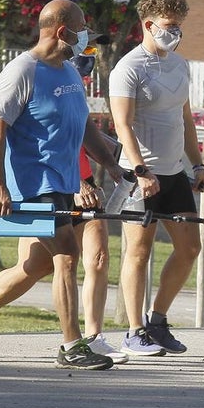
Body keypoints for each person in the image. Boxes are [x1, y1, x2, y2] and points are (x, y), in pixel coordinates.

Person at [0, 0, 125, 370]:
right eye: (81, 29)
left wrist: (110, 162)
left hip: (65, 179)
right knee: (67, 253)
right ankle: (72, 346)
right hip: (32, 181)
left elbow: (85, 126)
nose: (85, 37)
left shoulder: (68, 71)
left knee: (37, 265)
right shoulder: (22, 71)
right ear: (62, 31)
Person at [110, 0, 204, 356]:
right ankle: (134, 332)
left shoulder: (179, 65)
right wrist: (140, 170)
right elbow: (122, 123)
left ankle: (158, 321)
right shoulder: (129, 67)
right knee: (138, 251)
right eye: (169, 26)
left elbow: (186, 119)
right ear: (148, 25)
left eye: (179, 26)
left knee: (190, 247)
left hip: (175, 173)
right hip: (140, 176)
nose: (176, 33)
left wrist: (196, 164)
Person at [69, 53, 127, 365]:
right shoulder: (43, 89)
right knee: (33, 267)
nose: (83, 81)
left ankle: (93, 337)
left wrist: (113, 165)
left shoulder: (76, 101)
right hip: (57, 187)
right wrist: (77, 183)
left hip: (87, 184)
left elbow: (87, 137)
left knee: (99, 258)